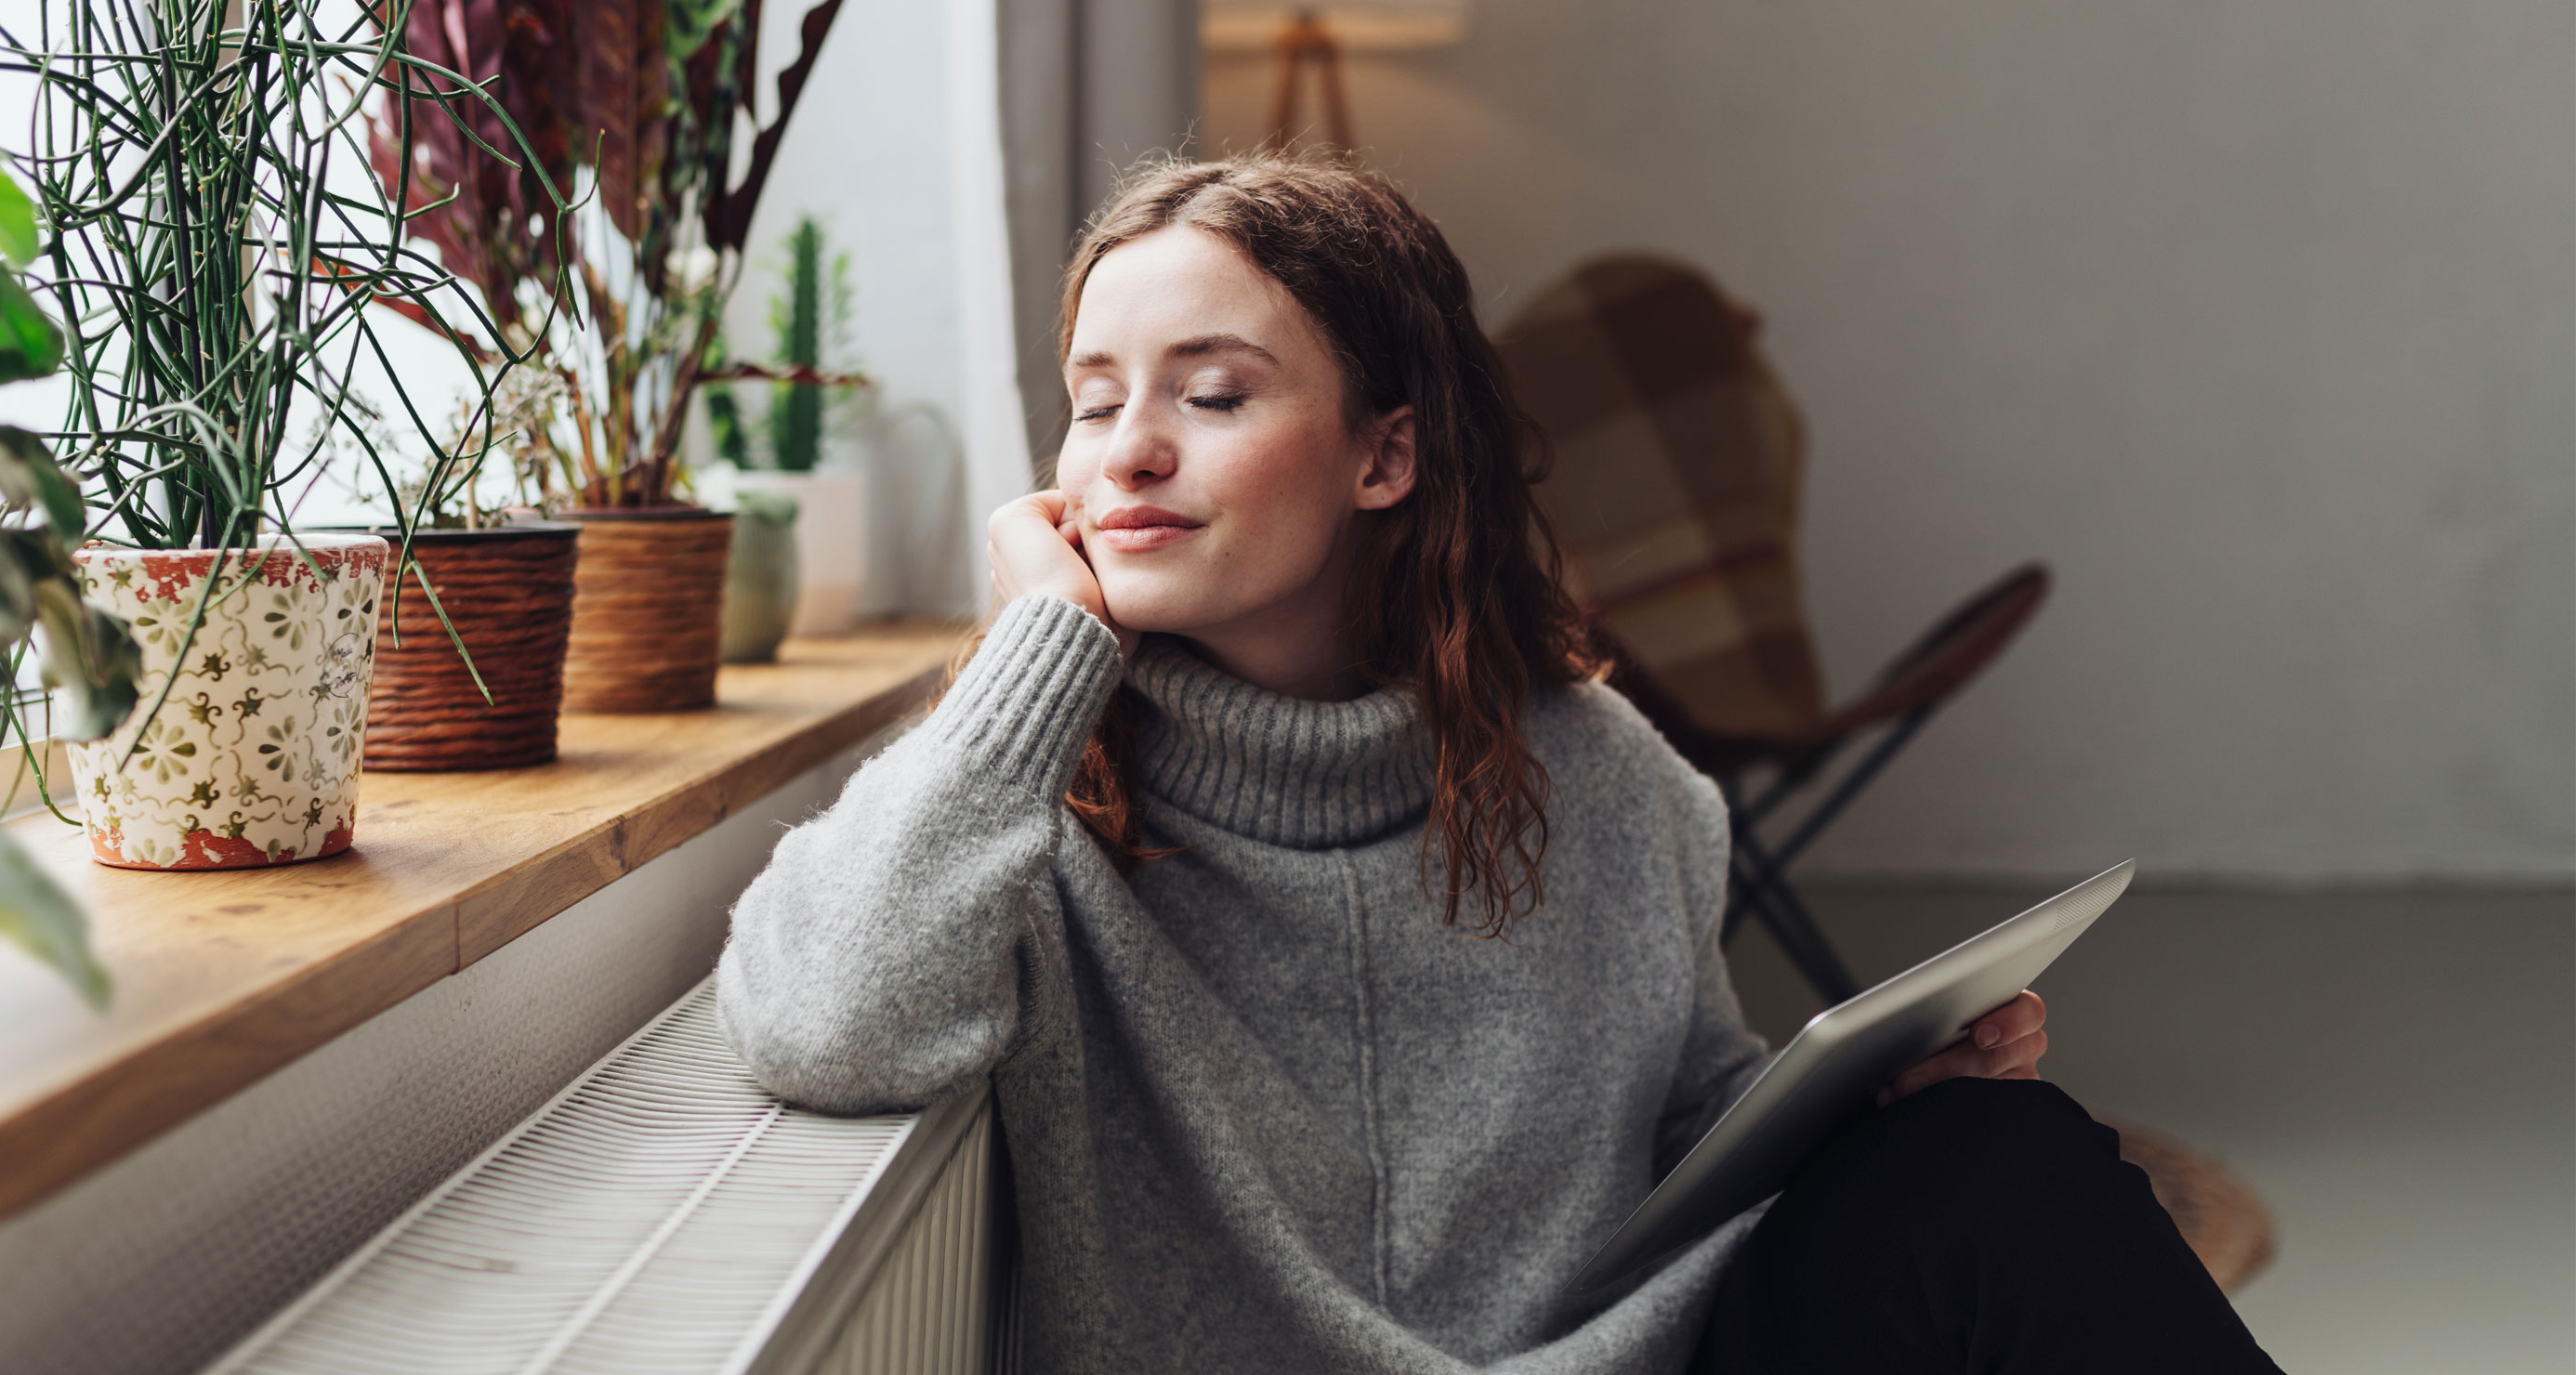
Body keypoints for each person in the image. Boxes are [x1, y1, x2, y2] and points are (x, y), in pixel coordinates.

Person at [712, 157, 2282, 1374]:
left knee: (1991, 1162)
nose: (1127, 449)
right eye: (1094, 401)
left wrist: (1867, 1110)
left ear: (1385, 456)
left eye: (1211, 393)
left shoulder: (1602, 774)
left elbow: (1679, 1119)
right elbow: (818, 1026)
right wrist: (1039, 659)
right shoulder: (1020, 798)